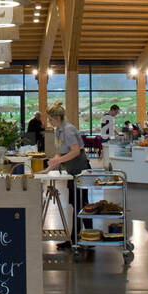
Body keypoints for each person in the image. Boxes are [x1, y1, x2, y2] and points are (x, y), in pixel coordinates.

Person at [45, 103, 93, 255]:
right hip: (72, 171)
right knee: (75, 203)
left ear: (58, 118)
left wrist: (58, 161)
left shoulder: (68, 130)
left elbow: (75, 151)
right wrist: (50, 166)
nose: (49, 122)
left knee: (81, 203)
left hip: (80, 170)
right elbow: (60, 153)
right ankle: (78, 238)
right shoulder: (59, 131)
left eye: (51, 119)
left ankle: (84, 238)